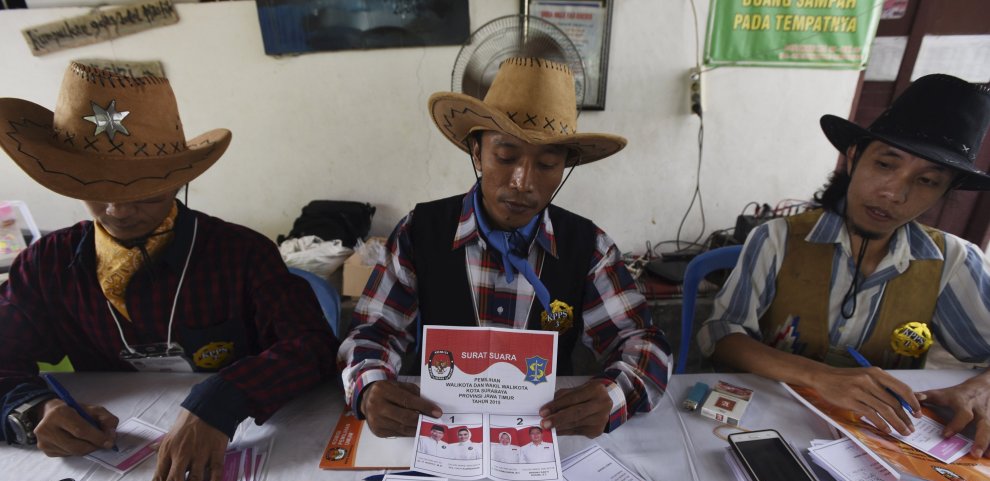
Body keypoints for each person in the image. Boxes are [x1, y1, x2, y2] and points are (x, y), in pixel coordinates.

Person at [0, 62, 340, 481]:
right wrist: (34, 408)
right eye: (95, 187)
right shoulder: (44, 266)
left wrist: (225, 397)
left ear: (179, 177)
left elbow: (314, 347)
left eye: (143, 188)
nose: (118, 208)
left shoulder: (240, 253)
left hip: (243, 461)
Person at [339, 57, 671, 439]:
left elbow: (644, 343)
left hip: (542, 438)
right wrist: (370, 388)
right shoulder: (420, 233)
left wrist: (613, 396)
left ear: (563, 169)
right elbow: (372, 332)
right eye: (506, 156)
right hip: (437, 433)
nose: (522, 181)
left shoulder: (587, 248)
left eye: (546, 164)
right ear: (477, 152)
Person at [699, 74, 990, 457]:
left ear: (945, 192)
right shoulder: (778, 239)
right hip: (769, 428)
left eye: (927, 181)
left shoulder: (953, 261)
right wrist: (821, 377)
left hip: (879, 445)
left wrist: (977, 389)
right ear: (854, 156)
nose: (894, 193)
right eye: (886, 164)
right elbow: (723, 337)